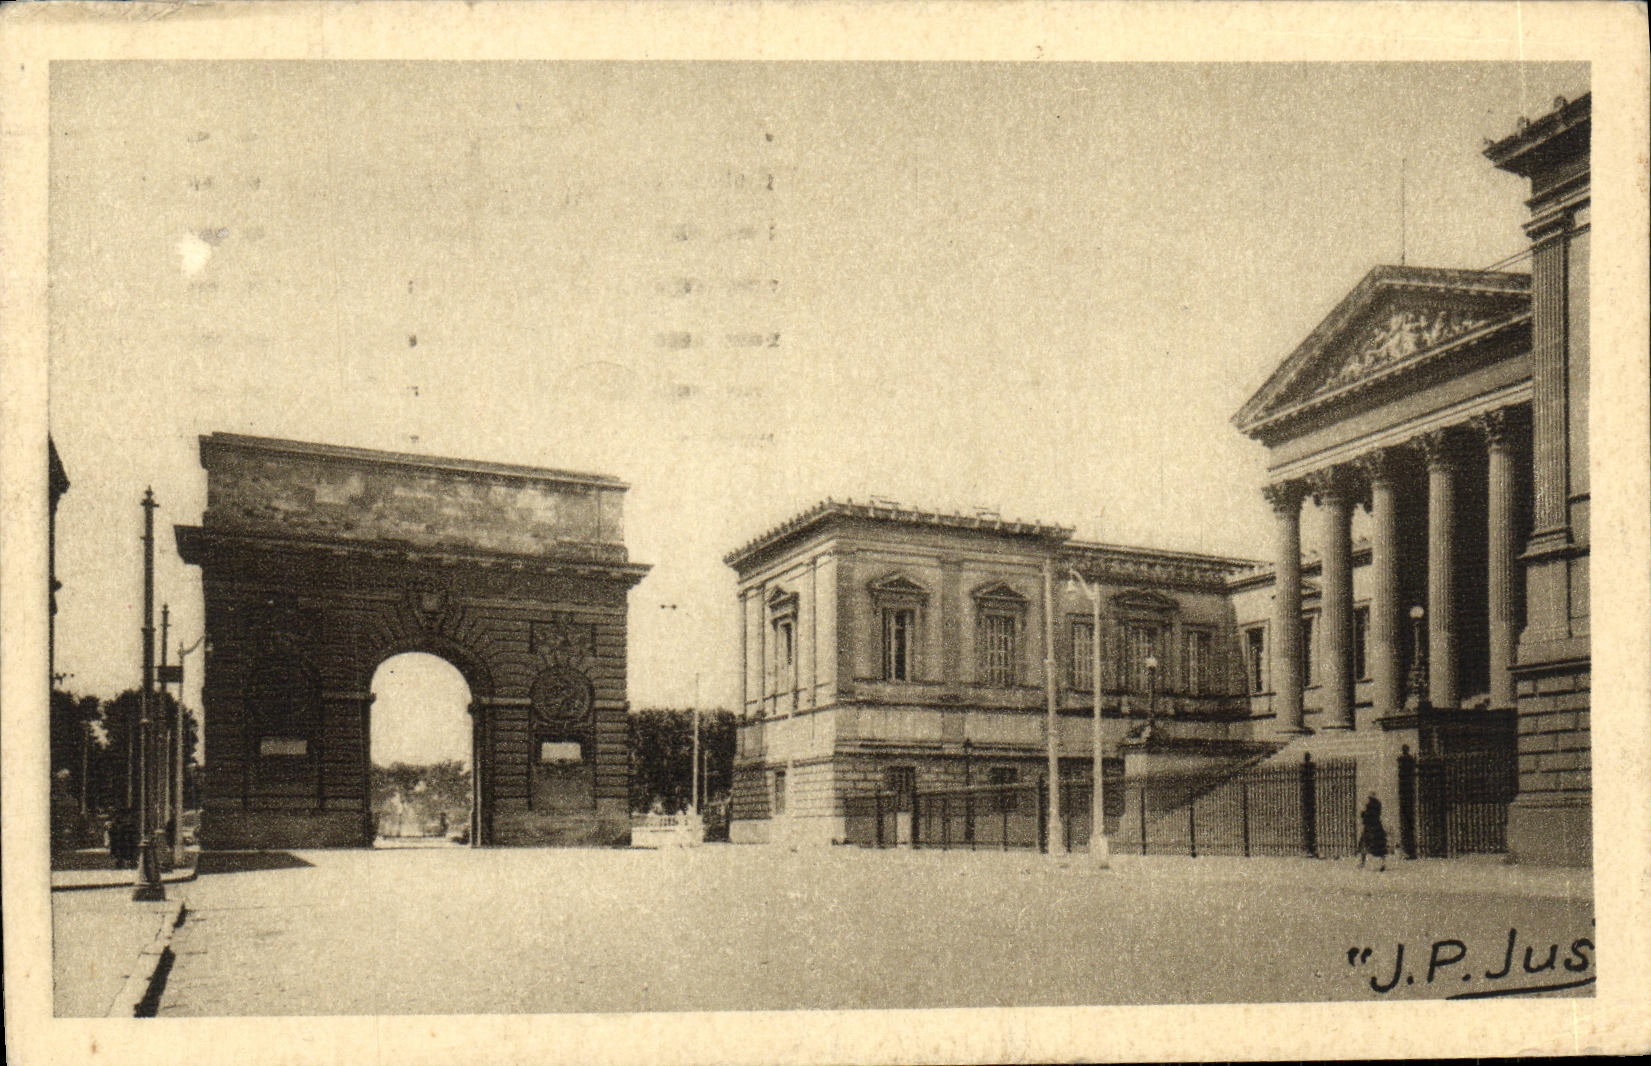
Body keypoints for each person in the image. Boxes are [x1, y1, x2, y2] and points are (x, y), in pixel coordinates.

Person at [1358, 794, 1388, 871]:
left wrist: (1363, 814)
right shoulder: (1378, 805)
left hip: (1370, 828)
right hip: (1377, 827)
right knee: (1380, 847)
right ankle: (1382, 864)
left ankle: (1363, 863)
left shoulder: (1370, 806)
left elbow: (1366, 816)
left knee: (1365, 845)